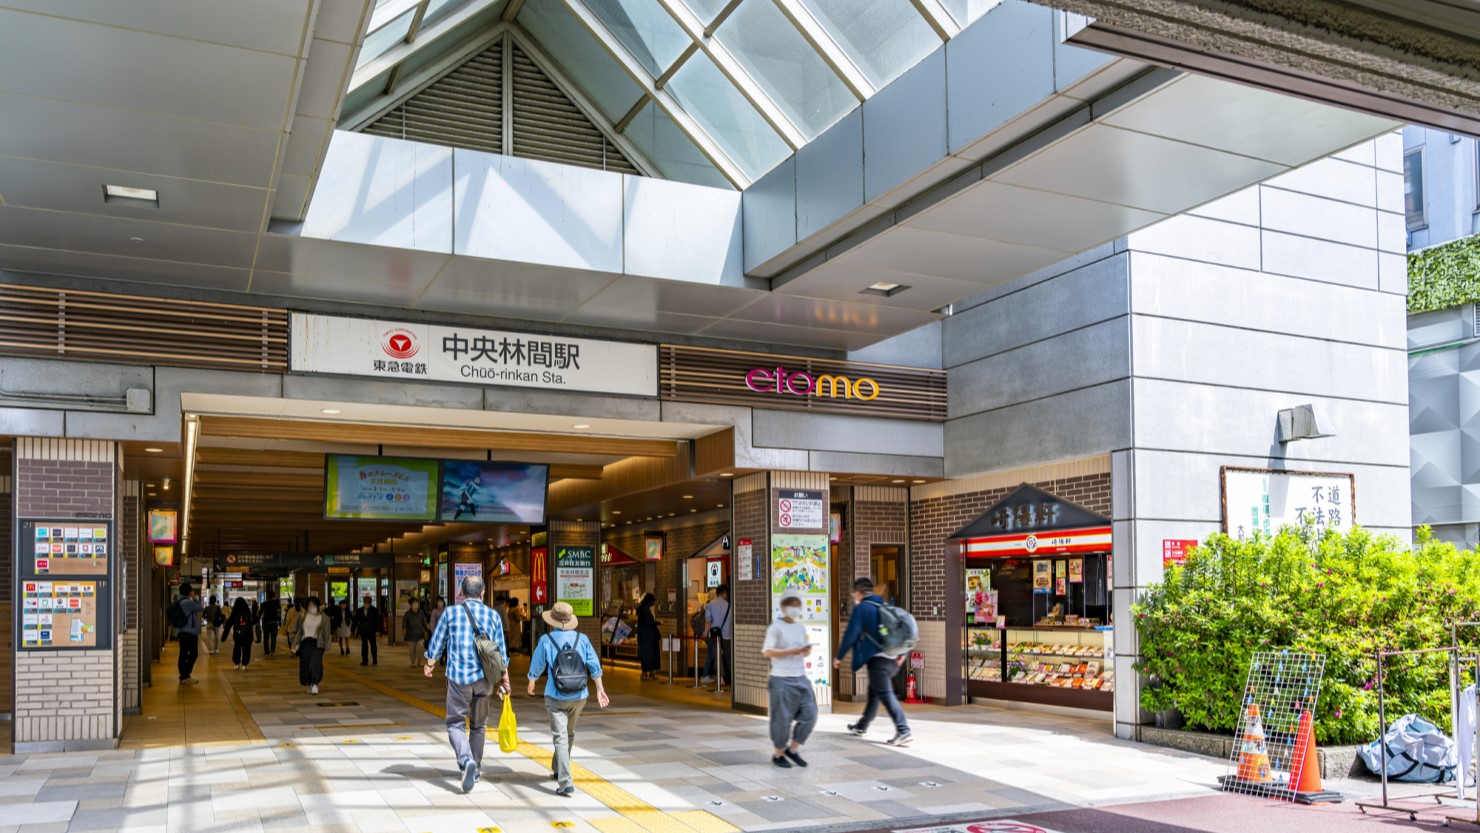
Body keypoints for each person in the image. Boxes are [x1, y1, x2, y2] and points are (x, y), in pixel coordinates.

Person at [423, 575, 510, 794]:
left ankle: (465, 760)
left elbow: (437, 642)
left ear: (461, 593)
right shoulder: (493, 615)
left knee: (455, 723)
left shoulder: (451, 613)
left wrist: (430, 664)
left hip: (459, 679)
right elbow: (501, 653)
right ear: (483, 593)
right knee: (479, 725)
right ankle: (476, 768)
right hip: (485, 680)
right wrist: (505, 678)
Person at [528, 601, 608, 797]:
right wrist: (600, 689)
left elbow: (537, 664)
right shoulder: (582, 638)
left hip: (555, 696)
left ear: (553, 621)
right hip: (579, 695)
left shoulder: (546, 640)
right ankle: (558, 768)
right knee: (568, 733)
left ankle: (565, 781)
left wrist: (532, 681)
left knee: (560, 737)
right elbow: (594, 665)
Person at [835, 577, 912, 746]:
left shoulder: (862, 609)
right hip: (893, 659)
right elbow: (901, 629)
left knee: (885, 694)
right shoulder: (884, 606)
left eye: (854, 593)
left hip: (879, 661)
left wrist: (839, 656)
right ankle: (862, 726)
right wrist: (904, 653)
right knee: (874, 694)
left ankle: (903, 729)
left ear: (858, 593)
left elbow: (851, 634)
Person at [763, 589, 817, 768]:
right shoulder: (775, 628)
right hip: (780, 677)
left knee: (810, 714)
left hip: (800, 676)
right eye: (791, 604)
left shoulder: (800, 627)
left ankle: (792, 750)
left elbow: (803, 647)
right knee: (782, 719)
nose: (794, 608)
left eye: (797, 605)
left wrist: (805, 650)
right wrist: (790, 651)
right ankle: (778, 754)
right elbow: (768, 651)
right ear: (782, 607)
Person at [291, 596, 331, 695]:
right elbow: (297, 630)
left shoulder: (324, 618)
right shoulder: (303, 616)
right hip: (305, 643)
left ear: (317, 605)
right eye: (309, 605)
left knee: (315, 664)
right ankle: (309, 683)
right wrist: (294, 643)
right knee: (305, 664)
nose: (311, 607)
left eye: (313, 605)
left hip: (317, 644)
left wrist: (327, 645)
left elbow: (327, 633)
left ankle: (314, 683)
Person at [701, 584, 732, 685]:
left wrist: (705, 632)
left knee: (717, 656)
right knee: (729, 657)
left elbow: (708, 620)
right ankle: (735, 677)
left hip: (715, 636)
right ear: (724, 593)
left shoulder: (710, 605)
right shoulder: (729, 605)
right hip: (727, 635)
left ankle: (720, 678)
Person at [176, 583, 203, 685]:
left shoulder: (179, 601)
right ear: (189, 591)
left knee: (183, 654)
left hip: (182, 632)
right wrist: (194, 598)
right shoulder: (188, 602)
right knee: (193, 654)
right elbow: (200, 608)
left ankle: (184, 676)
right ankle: (185, 675)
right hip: (189, 633)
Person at [223, 597, 257, 671]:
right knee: (246, 649)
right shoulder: (247, 610)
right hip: (247, 634)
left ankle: (236, 663)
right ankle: (244, 664)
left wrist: (224, 636)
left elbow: (229, 623)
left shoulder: (235, 611)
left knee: (237, 647)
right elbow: (252, 622)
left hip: (237, 634)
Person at [636, 593, 661, 680]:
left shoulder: (642, 610)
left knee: (647, 656)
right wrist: (658, 622)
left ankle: (649, 673)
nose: (654, 602)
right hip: (648, 638)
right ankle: (646, 674)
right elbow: (649, 622)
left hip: (644, 638)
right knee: (650, 656)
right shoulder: (645, 610)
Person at [404, 597, 429, 667]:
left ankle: (420, 661)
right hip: (410, 634)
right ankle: (413, 661)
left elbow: (423, 623)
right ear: (410, 605)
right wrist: (404, 629)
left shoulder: (421, 612)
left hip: (420, 634)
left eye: (416, 603)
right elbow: (404, 623)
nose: (415, 604)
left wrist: (426, 630)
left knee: (421, 646)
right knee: (412, 649)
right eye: (413, 603)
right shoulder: (407, 614)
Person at [357, 595, 380, 665]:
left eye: (368, 601)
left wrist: (378, 630)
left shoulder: (375, 610)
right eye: (365, 601)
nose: (366, 603)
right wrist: (353, 630)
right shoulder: (360, 610)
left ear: (370, 602)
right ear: (363, 602)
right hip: (363, 631)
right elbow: (356, 620)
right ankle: (365, 660)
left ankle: (375, 659)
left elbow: (378, 620)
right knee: (364, 646)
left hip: (372, 631)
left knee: (373, 645)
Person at [261, 590, 281, 658]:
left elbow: (260, 613)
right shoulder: (277, 604)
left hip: (267, 622)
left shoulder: (264, 604)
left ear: (267, 596)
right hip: (275, 622)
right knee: (273, 638)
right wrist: (280, 622)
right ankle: (272, 651)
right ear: (274, 596)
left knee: (266, 637)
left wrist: (255, 620)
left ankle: (266, 652)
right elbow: (279, 614)